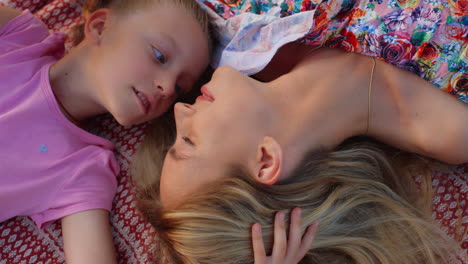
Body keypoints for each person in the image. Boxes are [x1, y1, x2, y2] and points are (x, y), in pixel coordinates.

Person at [132, 0, 467, 262]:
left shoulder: (235, 26)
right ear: (264, 160)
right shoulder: (451, 128)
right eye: (188, 140)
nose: (179, 109)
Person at [0, 0, 211, 263]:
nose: (167, 88)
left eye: (180, 87)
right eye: (159, 56)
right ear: (100, 27)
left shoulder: (80, 169)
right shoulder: (20, 36)